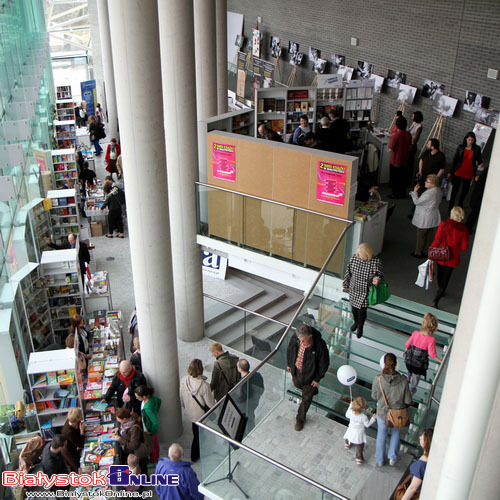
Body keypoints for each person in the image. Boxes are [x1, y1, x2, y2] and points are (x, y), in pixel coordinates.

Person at [371, 353, 412, 467]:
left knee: (381, 434)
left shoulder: (378, 379)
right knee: (396, 433)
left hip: (382, 412)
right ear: (396, 364)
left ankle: (380, 460)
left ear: (384, 364)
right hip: (397, 413)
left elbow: (374, 396)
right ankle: (392, 458)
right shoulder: (404, 381)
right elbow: (408, 400)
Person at [286, 323, 329, 431]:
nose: (301, 343)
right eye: (300, 340)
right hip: (296, 370)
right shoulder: (296, 337)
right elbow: (290, 349)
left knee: (306, 399)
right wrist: (289, 364)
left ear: (310, 336)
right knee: (297, 384)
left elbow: (324, 363)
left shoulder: (320, 345)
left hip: (310, 375)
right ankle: (310, 391)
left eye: (303, 341)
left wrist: (317, 379)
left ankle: (300, 419)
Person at [430, 206, 469, 309]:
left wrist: (432, 251)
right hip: (453, 257)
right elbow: (464, 247)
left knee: (440, 274)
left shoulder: (444, 225)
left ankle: (440, 290)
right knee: (446, 278)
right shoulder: (464, 230)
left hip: (441, 255)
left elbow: (437, 240)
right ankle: (438, 297)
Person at [343, 243, 383, 338]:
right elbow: (348, 272)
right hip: (354, 288)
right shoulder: (354, 258)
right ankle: (356, 323)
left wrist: (377, 279)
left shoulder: (375, 262)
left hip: (366, 290)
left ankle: (360, 326)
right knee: (354, 309)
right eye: (360, 256)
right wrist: (345, 284)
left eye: (364, 257)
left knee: (361, 311)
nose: (362, 258)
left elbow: (380, 274)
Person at [180, 359, 216, 462]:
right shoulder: (204, 385)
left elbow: (181, 398)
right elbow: (210, 404)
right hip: (200, 414)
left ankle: (199, 447)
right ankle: (194, 455)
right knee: (198, 435)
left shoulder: (184, 380)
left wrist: (186, 407)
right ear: (201, 370)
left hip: (190, 411)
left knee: (195, 431)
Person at [404, 313, 442, 393]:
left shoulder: (415, 333)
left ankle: (408, 375)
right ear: (434, 327)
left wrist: (407, 349)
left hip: (409, 362)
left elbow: (407, 344)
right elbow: (432, 354)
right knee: (416, 376)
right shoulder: (431, 340)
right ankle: (412, 389)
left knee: (411, 362)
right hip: (418, 366)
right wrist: (440, 361)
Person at [448, 132, 483, 210]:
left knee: (465, 190)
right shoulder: (461, 147)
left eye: (472, 140)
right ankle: (451, 204)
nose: (470, 142)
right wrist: (451, 171)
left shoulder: (477, 148)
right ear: (466, 139)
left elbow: (479, 159)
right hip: (459, 171)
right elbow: (455, 160)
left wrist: (481, 163)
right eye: (469, 139)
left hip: (469, 172)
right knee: (455, 190)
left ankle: (460, 203)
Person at [410, 174, 442, 259]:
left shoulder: (428, 194)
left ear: (433, 184)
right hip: (433, 216)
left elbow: (417, 202)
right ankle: (426, 251)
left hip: (425, 217)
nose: (425, 182)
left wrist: (414, 192)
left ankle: (418, 252)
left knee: (421, 235)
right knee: (429, 235)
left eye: (428, 182)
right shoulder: (438, 190)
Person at [400, 428, 434, 500]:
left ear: (426, 441)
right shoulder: (432, 458)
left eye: (422, 436)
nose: (420, 437)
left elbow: (413, 488)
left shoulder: (422, 464)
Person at [112, 407, 147, 472]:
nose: (118, 421)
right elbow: (124, 428)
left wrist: (120, 439)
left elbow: (133, 445)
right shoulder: (126, 423)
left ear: (125, 419)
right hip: (129, 453)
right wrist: (118, 429)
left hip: (136, 456)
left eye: (119, 419)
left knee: (140, 472)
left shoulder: (134, 429)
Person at [343, 396, 376, 465]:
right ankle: (359, 457)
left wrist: (349, 406)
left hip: (351, 429)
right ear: (363, 407)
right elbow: (367, 425)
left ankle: (347, 444)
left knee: (348, 436)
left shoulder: (350, 413)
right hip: (359, 433)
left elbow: (346, 415)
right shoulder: (363, 417)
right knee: (359, 446)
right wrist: (373, 419)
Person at [134, 385, 162, 463]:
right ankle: (156, 457)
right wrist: (156, 410)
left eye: (138, 397)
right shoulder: (152, 398)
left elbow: (155, 423)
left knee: (151, 446)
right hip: (149, 427)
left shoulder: (148, 408)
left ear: (144, 396)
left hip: (149, 429)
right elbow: (159, 401)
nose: (137, 398)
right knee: (155, 443)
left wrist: (152, 431)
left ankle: (153, 460)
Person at [236, 359, 265, 431]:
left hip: (247, 406)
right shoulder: (257, 375)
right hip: (255, 402)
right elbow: (262, 389)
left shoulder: (241, 384)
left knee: (248, 418)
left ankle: (249, 430)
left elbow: (240, 398)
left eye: (237, 366)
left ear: (240, 369)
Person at [388, 116, 412, 198]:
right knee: (402, 178)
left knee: (394, 178)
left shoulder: (396, 136)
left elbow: (390, 148)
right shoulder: (408, 134)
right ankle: (402, 193)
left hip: (395, 161)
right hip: (404, 160)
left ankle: (394, 194)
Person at [466, 165, 488, 232]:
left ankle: (468, 227)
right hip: (479, 197)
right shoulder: (487, 173)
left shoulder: (486, 170)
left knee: (474, 213)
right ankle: (468, 228)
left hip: (477, 195)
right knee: (474, 213)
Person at [61, 408, 84, 472]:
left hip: (74, 444)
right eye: (80, 416)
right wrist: (82, 432)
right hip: (69, 451)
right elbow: (80, 445)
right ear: (76, 419)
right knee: (78, 467)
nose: (82, 416)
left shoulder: (74, 421)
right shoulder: (69, 432)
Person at [407, 111, 424, 184]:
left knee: (410, 164)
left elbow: (415, 139)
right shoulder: (414, 123)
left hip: (412, 147)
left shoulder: (419, 126)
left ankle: (409, 180)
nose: (412, 117)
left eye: (413, 116)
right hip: (408, 144)